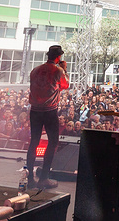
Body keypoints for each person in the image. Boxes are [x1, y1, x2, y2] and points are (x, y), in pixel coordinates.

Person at [26, 45, 69, 189]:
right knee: (53, 142)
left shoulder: (35, 70)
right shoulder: (58, 70)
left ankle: (30, 179)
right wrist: (64, 69)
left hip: (35, 111)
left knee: (34, 142)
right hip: (49, 111)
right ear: (58, 57)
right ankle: (44, 177)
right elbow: (65, 85)